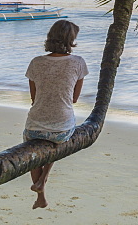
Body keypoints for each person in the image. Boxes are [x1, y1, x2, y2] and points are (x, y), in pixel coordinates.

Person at [23, 19, 90, 209]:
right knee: (57, 144)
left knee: (32, 150)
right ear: (71, 40)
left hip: (34, 126)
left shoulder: (36, 62)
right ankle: (42, 180)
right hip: (61, 129)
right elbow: (74, 99)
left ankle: (41, 194)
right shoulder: (78, 62)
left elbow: (34, 98)